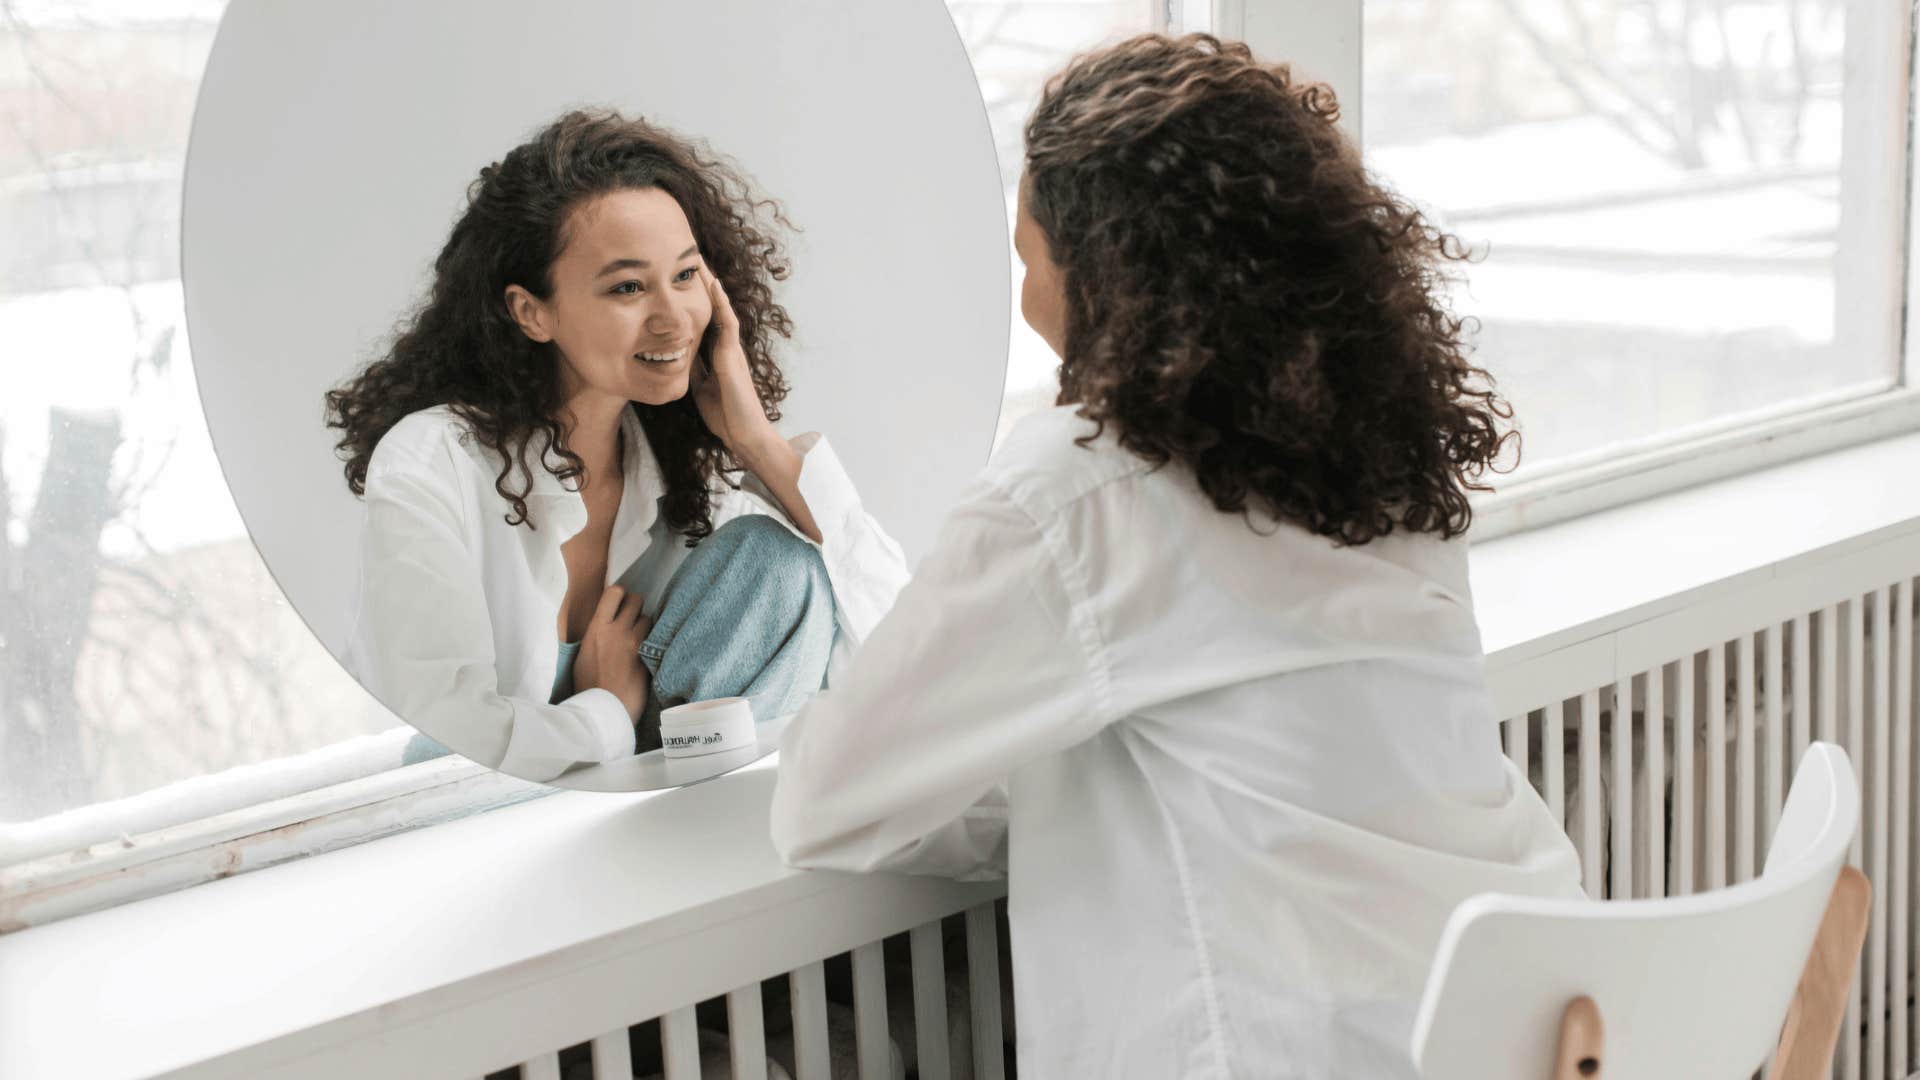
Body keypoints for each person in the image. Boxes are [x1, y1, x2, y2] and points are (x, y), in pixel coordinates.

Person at [769, 33, 1584, 1077]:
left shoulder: (1080, 489)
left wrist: (1052, 797)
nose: (1028, 305)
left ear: (1111, 279)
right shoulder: (1379, 455)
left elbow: (825, 801)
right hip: (1539, 1013)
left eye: (1032, 262)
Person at [326, 109, 908, 783]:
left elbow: (896, 650)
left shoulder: (684, 468)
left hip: (664, 820)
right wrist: (603, 708)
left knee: (783, 566)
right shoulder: (432, 462)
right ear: (531, 311)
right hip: (479, 835)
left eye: (686, 277)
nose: (672, 318)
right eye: (629, 287)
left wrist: (755, 441)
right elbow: (448, 743)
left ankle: (700, 851)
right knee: (438, 753)